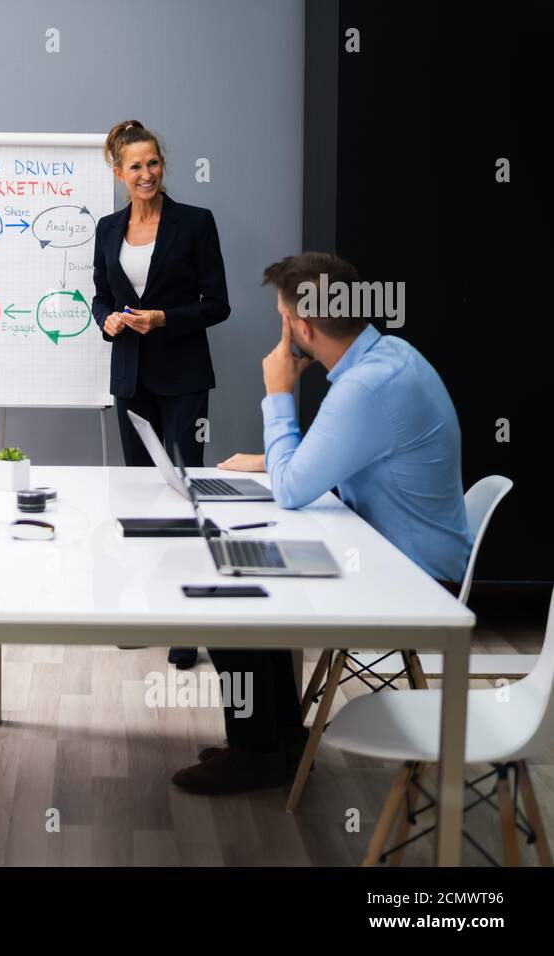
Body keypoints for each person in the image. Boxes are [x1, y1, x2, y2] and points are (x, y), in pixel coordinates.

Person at [172, 251, 471, 795]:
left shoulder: (365, 387)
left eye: (281, 318)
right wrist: (274, 459)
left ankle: (257, 752)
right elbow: (334, 458)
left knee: (228, 592)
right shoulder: (389, 358)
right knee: (250, 569)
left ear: (299, 326)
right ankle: (277, 739)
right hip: (402, 558)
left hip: (414, 583)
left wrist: (278, 391)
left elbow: (292, 490)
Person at [93, 119, 231, 670]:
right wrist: (106, 321)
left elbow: (218, 304)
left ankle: (185, 622)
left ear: (162, 165)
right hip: (130, 376)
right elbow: (100, 296)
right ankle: (149, 607)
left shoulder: (195, 223)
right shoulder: (106, 228)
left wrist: (163, 318)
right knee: (138, 497)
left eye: (153, 163)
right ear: (118, 172)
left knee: (181, 491)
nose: (146, 174)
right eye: (135, 166)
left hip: (183, 376)